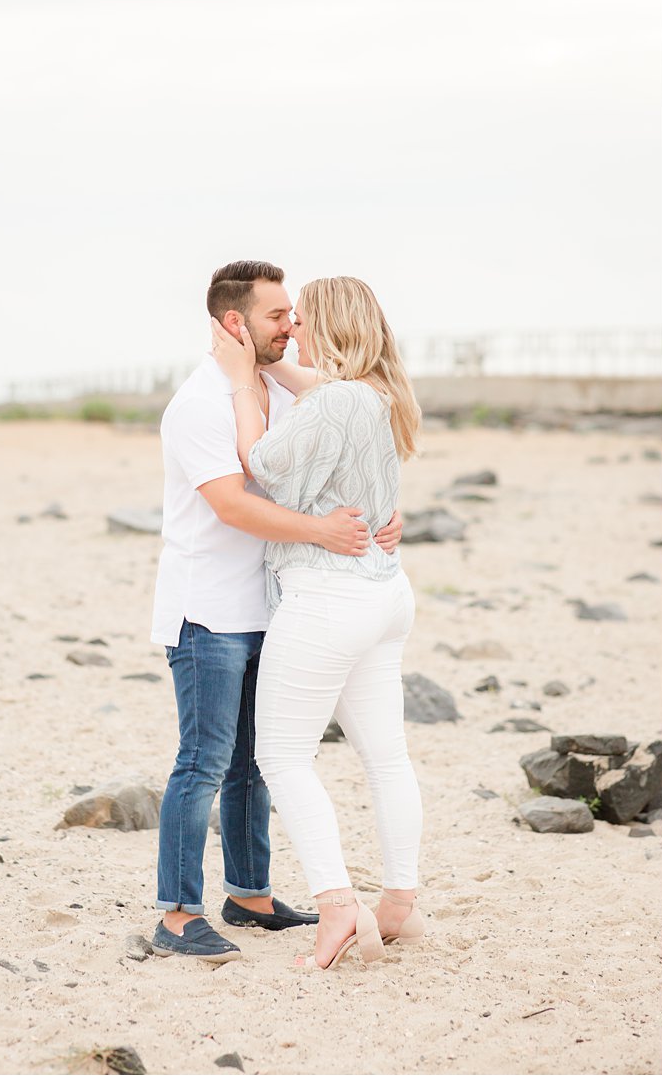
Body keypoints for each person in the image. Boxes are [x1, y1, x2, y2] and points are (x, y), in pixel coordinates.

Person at [152, 260, 404, 963]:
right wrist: (325, 533)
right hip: (207, 608)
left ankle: (251, 894)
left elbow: (346, 452)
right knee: (201, 762)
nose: (291, 326)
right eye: (276, 316)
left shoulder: (278, 388)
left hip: (272, 603)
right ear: (235, 323)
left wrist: (389, 512)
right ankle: (175, 914)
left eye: (294, 314)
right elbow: (234, 501)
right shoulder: (201, 403)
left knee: (251, 766)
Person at [211, 275, 425, 971]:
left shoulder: (332, 401)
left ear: (327, 326)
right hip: (385, 595)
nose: (293, 329)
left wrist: (244, 381)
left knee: (281, 756)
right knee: (386, 756)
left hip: (329, 599)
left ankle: (337, 906)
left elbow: (260, 461)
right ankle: (399, 903)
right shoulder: (379, 393)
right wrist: (263, 358)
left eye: (302, 320)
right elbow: (319, 391)